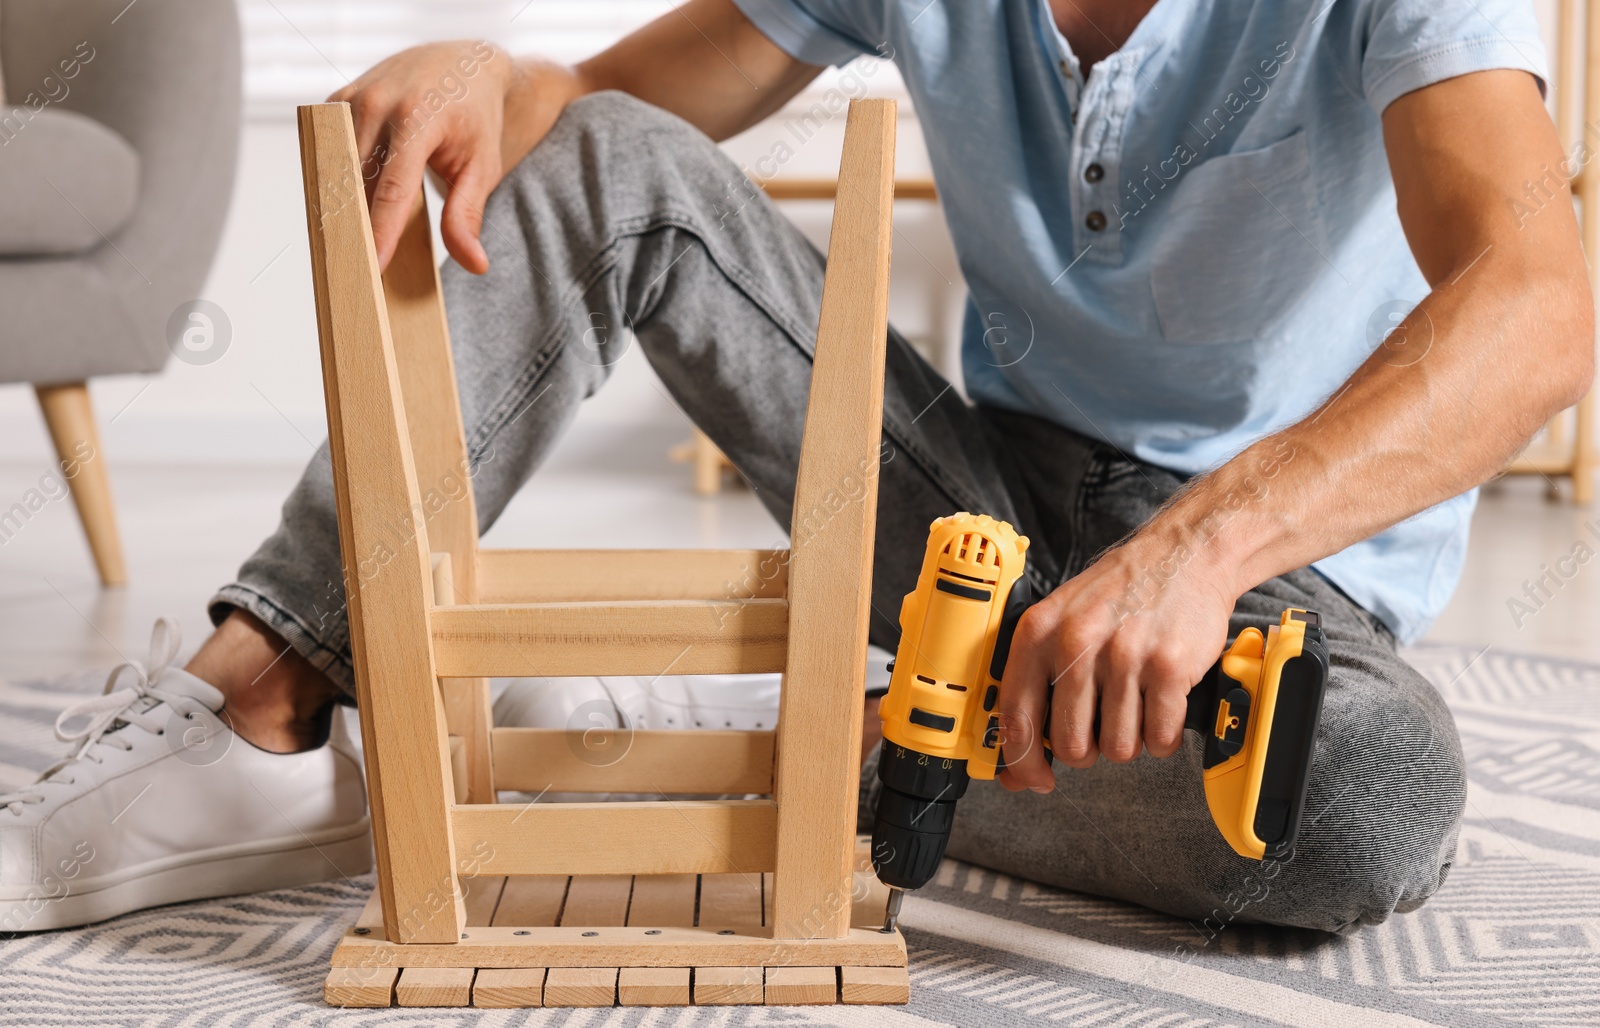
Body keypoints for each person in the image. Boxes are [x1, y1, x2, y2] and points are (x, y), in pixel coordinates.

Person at [3, 0, 1589, 935]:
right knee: (608, 165)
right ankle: (256, 703)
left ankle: (782, 723)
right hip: (976, 513)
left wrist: (1200, 550)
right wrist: (500, 73)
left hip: (1255, 598)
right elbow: (610, 129)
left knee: (1365, 803)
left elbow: (1539, 294)